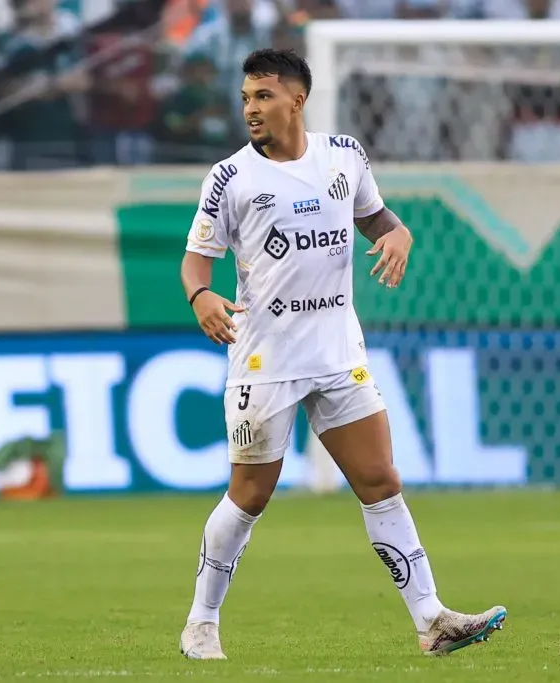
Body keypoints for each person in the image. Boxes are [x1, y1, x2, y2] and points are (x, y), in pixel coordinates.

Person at [178, 48, 506, 660]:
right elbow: (197, 258)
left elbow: (379, 220)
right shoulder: (230, 178)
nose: (250, 108)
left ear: (296, 101)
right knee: (250, 494)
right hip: (265, 359)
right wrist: (200, 295)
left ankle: (431, 619)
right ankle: (201, 622)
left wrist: (399, 236)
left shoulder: (345, 157)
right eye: (247, 96)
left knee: (380, 480)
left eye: (263, 96)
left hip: (337, 351)